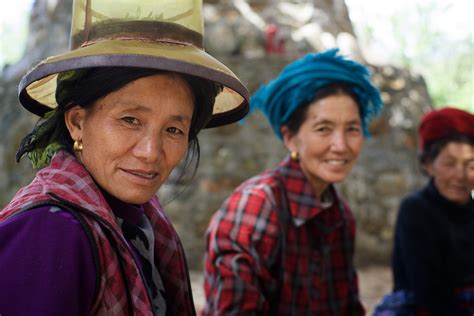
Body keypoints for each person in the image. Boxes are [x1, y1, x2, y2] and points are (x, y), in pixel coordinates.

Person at [0, 0, 249, 315]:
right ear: (77, 122)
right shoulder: (50, 233)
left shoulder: (138, 220)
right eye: (130, 120)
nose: (150, 152)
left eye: (173, 129)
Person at [203, 48, 384, 315]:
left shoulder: (340, 215)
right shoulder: (257, 206)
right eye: (323, 129)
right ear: (290, 138)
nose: (341, 145)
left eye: (352, 129)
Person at [390, 107, 474, 315]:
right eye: (449, 163)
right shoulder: (415, 210)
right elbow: (431, 294)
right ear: (429, 165)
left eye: (471, 165)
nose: (461, 176)